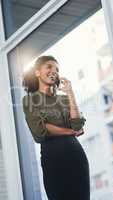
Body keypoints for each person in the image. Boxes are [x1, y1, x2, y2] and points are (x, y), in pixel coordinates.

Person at [22, 55, 90, 200]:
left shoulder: (65, 99)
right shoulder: (29, 99)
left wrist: (70, 93)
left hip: (76, 155)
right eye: (49, 67)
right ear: (37, 72)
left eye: (57, 69)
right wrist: (71, 131)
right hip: (53, 158)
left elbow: (77, 124)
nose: (54, 71)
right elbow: (40, 131)